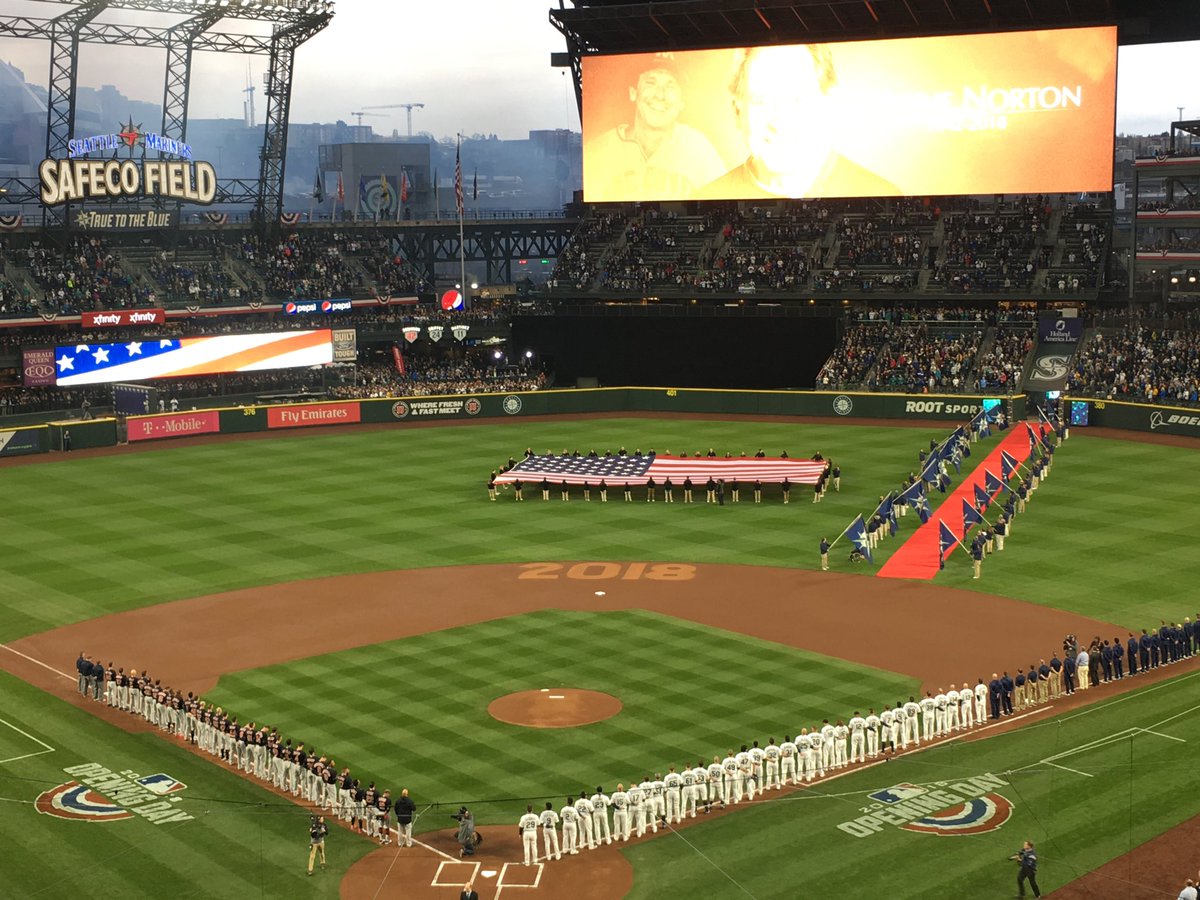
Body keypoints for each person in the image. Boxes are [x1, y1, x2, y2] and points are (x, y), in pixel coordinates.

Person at [694, 44, 900, 200]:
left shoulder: (881, 198)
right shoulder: (704, 201)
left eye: (796, 100)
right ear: (737, 111)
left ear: (829, 105)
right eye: (761, 101)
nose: (778, 121)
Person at [586, 54, 725, 201]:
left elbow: (725, 197)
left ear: (681, 101)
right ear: (633, 93)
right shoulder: (597, 151)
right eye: (650, 83)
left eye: (670, 85)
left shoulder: (699, 149)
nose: (660, 95)